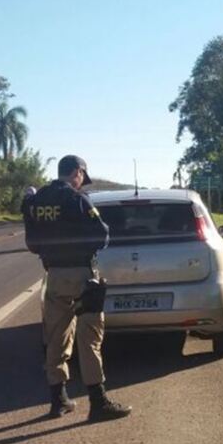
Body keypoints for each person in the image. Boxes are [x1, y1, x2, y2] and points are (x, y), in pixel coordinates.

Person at [22, 155, 132, 421]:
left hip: (54, 276)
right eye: (83, 176)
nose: (82, 181)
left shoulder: (37, 201)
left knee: (56, 338)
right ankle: (98, 402)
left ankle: (58, 400)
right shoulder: (77, 199)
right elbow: (102, 235)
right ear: (77, 172)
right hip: (82, 275)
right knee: (89, 337)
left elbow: (32, 243)